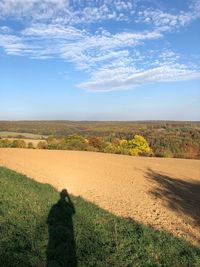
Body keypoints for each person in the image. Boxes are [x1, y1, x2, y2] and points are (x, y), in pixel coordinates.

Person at [46, 189, 77, 267]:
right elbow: (73, 210)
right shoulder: (68, 208)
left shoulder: (54, 207)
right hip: (65, 235)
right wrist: (68, 197)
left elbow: (49, 221)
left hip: (56, 237)